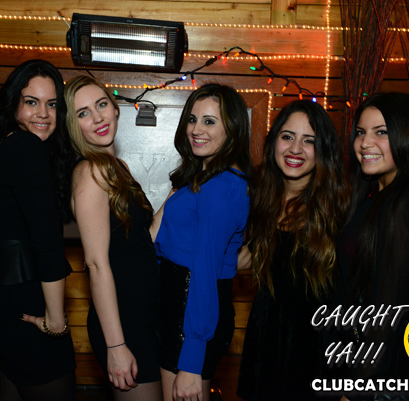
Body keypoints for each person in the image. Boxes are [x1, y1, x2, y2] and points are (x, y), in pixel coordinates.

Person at [0, 59, 77, 401]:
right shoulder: (25, 147)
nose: (44, 114)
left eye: (52, 104)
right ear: (13, 104)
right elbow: (47, 241)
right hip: (27, 307)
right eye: (31, 102)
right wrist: (56, 320)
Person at [236, 100, 349, 400]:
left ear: (323, 149)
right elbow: (245, 259)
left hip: (316, 351)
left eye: (308, 140)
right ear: (274, 141)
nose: (295, 149)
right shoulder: (257, 197)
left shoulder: (341, 208)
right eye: (287, 137)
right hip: (266, 342)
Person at [336, 92, 409, 400]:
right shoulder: (377, 196)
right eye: (361, 132)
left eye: (381, 132)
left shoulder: (405, 204)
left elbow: (388, 316)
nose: (365, 143)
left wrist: (357, 388)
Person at [150, 83, 252, 401]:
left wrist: (192, 361)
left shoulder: (222, 186)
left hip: (191, 312)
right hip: (177, 304)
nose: (196, 129)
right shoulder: (201, 179)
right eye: (192, 119)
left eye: (209, 121)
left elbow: (205, 271)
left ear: (232, 129)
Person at [65, 75, 162, 400]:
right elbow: (95, 263)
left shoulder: (115, 166)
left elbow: (141, 240)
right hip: (122, 323)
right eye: (83, 113)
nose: (97, 118)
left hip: (143, 315)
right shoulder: (90, 172)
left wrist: (178, 193)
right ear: (73, 125)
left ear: (115, 109)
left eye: (101, 105)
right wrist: (116, 345)